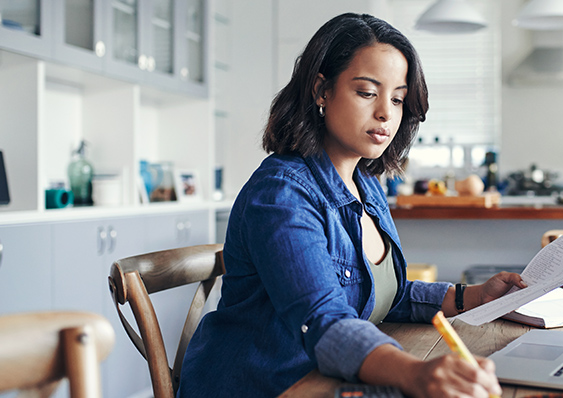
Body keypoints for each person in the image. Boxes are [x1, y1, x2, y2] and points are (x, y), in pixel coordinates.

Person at [177, 12, 526, 398]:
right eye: (366, 92)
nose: (386, 113)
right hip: (269, 387)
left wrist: (473, 297)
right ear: (322, 90)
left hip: (328, 382)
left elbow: (378, 296)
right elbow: (325, 321)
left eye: (397, 98)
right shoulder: (281, 195)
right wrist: (415, 373)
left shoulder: (367, 186)